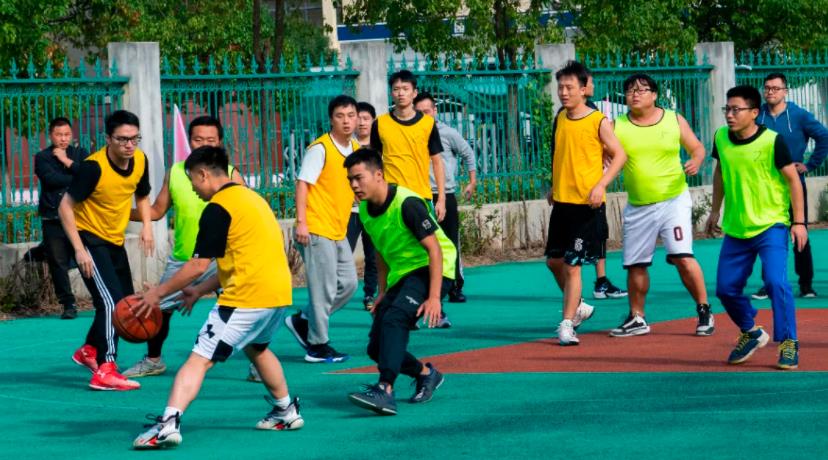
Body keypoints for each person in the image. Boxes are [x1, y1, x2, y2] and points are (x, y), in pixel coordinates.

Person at [132, 146, 303, 449]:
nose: (193, 189)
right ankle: (286, 410)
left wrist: (157, 293)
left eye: (192, 181)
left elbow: (197, 265)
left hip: (246, 298)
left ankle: (168, 424)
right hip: (277, 294)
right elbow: (241, 259)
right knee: (257, 348)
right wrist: (199, 290)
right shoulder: (253, 199)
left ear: (203, 174)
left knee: (199, 359)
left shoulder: (218, 207)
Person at [121, 115, 245, 379]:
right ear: (189, 141)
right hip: (184, 258)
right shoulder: (176, 172)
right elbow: (156, 210)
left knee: (240, 311)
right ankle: (153, 359)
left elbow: (244, 214)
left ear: (219, 143)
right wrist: (118, 213)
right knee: (159, 307)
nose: (204, 144)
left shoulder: (230, 174)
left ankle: (258, 363)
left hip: (222, 258)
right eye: (198, 139)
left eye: (210, 140)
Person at [344, 148, 454, 416]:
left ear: (378, 175)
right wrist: (382, 292)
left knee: (395, 319)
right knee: (377, 348)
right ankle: (426, 374)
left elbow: (435, 250)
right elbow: (381, 251)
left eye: (359, 178)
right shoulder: (366, 211)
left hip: (432, 269)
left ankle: (385, 389)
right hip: (402, 274)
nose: (354, 185)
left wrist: (435, 298)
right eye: (350, 180)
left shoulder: (407, 203)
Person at [705, 85, 807, 370]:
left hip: (771, 224)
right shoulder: (721, 137)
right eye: (727, 109)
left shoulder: (773, 141)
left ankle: (788, 342)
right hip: (737, 227)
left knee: (776, 282)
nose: (730, 115)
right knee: (725, 289)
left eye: (736, 109)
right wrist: (714, 210)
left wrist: (799, 222)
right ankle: (750, 332)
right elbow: (720, 172)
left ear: (753, 112)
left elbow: (793, 181)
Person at [609, 73, 714, 337]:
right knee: (635, 264)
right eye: (630, 90)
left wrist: (696, 161)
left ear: (654, 95)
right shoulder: (617, 126)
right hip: (638, 205)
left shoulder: (673, 119)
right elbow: (602, 157)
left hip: (673, 200)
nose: (635, 94)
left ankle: (704, 309)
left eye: (642, 90)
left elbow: (697, 148)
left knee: (682, 256)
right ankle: (637, 317)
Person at [59, 110, 154, 390]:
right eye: (122, 139)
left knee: (123, 304)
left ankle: (89, 350)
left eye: (134, 138)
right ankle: (105, 369)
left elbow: (142, 195)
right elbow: (64, 206)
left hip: (114, 240)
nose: (129, 145)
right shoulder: (93, 168)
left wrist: (147, 227)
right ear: (108, 139)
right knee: (111, 304)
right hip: (88, 238)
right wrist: (79, 250)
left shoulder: (140, 160)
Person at [545, 61, 627, 346]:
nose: (563, 92)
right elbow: (561, 154)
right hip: (562, 203)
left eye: (569, 87)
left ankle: (567, 324)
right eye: (560, 87)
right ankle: (578, 305)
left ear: (583, 89)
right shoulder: (560, 118)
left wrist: (601, 184)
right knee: (554, 262)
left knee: (573, 265)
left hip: (587, 206)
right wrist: (554, 184)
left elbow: (620, 155)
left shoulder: (598, 121)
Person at [285, 95, 359, 364]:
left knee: (349, 284)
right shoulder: (320, 148)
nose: (346, 121)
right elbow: (302, 184)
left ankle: (304, 319)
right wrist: (302, 222)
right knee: (323, 289)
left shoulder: (355, 148)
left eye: (351, 115)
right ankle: (317, 346)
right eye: (340, 116)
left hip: (338, 228)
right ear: (331, 120)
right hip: (316, 227)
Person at [751, 72, 828, 300]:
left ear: (785, 91)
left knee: (799, 233)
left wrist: (810, 165)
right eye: (767, 88)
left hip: (793, 185)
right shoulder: (757, 116)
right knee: (768, 236)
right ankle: (769, 284)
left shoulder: (799, 115)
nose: (770, 92)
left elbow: (824, 137)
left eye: (776, 88)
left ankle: (806, 285)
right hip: (765, 188)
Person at [414, 91, 477, 307]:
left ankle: (455, 286)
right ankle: (426, 286)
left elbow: (468, 154)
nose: (424, 116)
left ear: (435, 110)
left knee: (450, 242)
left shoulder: (448, 133)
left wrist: (472, 181)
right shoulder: (413, 133)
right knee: (423, 243)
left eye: (427, 111)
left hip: (445, 194)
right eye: (419, 112)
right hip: (419, 194)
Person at [370, 70, 446, 222]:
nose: (401, 93)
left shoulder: (427, 124)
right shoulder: (380, 124)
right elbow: (374, 163)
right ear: (391, 93)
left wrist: (441, 199)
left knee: (426, 237)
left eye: (405, 89)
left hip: (420, 196)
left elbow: (437, 162)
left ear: (414, 93)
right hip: (391, 197)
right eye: (396, 89)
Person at [34, 117, 88, 319]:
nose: (63, 139)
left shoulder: (80, 154)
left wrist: (66, 161)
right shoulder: (42, 157)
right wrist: (75, 177)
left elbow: (88, 177)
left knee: (87, 257)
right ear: (51, 135)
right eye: (59, 135)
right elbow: (51, 180)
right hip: (53, 217)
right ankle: (68, 304)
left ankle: (101, 297)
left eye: (67, 134)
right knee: (58, 262)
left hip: (80, 217)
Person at [346, 101, 379, 309]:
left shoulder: (380, 147)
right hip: (351, 211)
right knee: (343, 252)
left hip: (373, 210)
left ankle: (369, 295)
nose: (362, 123)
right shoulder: (348, 147)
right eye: (359, 118)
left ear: (373, 121)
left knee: (373, 256)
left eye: (366, 119)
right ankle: (336, 292)